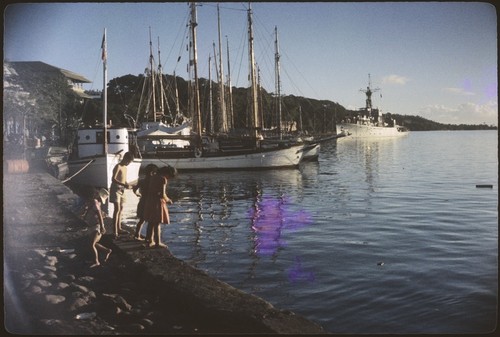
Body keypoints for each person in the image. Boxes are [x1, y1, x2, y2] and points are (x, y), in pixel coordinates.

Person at [144, 165, 178, 248]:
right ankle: (158, 242)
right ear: (167, 174)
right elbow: (163, 194)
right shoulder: (163, 179)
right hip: (157, 202)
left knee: (150, 222)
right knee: (157, 223)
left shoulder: (153, 177)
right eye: (169, 176)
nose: (169, 178)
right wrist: (168, 200)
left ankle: (149, 241)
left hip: (149, 200)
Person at [80, 187, 112, 268]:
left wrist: (102, 227)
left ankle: (96, 261)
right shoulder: (94, 202)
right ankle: (106, 250)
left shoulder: (95, 203)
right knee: (92, 243)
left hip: (96, 226)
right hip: (92, 225)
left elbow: (99, 215)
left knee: (91, 244)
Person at [110, 151, 135, 239]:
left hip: (122, 190)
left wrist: (128, 184)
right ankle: (115, 231)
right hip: (115, 190)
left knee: (121, 209)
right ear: (125, 158)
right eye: (128, 161)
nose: (128, 163)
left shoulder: (125, 168)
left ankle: (119, 228)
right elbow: (113, 179)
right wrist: (124, 185)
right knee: (117, 209)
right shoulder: (118, 166)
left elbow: (124, 179)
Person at [132, 163, 158, 241]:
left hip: (142, 201)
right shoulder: (153, 182)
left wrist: (138, 194)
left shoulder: (142, 181)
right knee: (151, 221)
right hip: (150, 202)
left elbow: (134, 189)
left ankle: (137, 235)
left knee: (141, 220)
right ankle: (150, 238)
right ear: (152, 173)